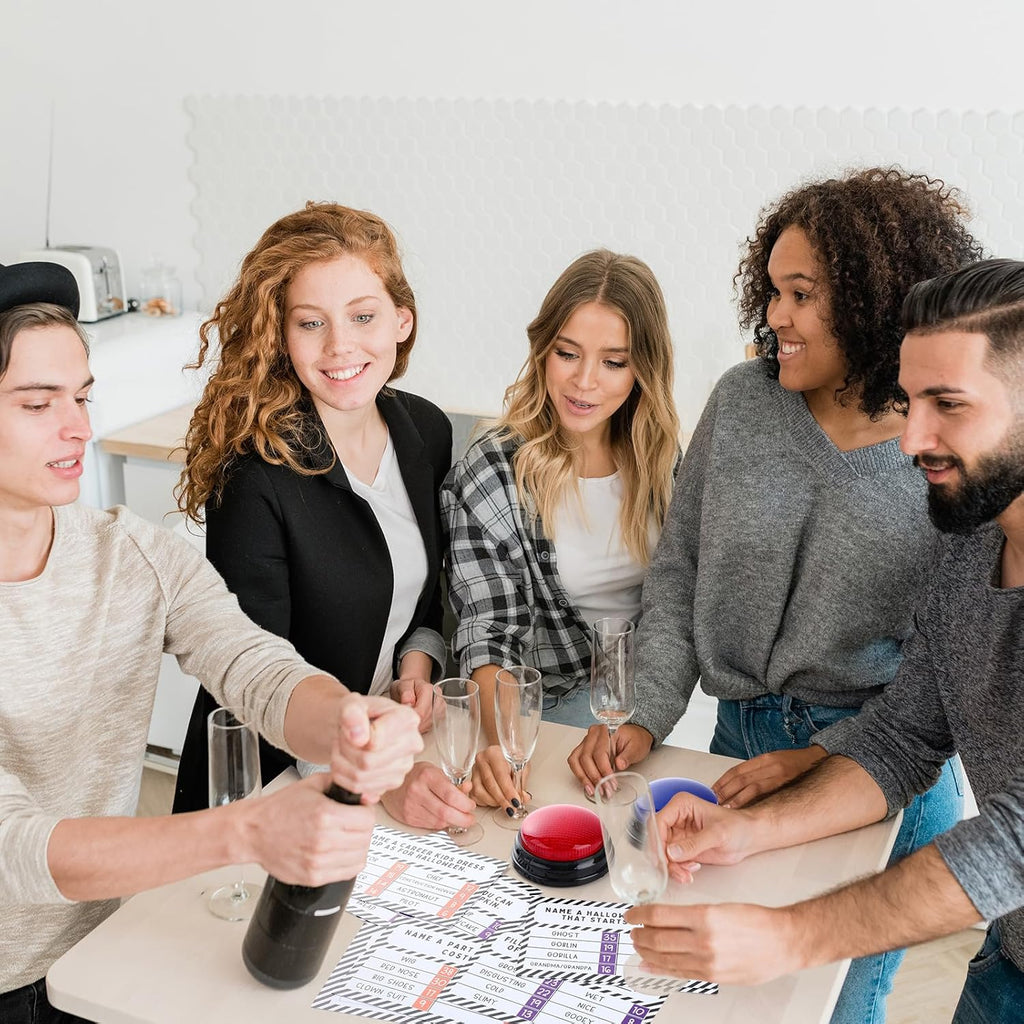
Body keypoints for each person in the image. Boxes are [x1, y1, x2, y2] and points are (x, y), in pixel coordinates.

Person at [568, 167, 983, 1023]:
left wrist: (837, 751)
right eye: (773, 290)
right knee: (711, 999)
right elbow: (681, 570)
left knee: (826, 1009)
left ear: (872, 302)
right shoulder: (742, 402)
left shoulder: (940, 447)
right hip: (734, 748)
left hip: (875, 773)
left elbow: (941, 668)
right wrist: (647, 711)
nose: (776, 316)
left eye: (802, 294)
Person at [0, 264, 423, 1024]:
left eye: (82, 397)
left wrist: (349, 722)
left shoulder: (127, 554)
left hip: (108, 946)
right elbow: (17, 851)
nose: (78, 428)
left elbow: (253, 664)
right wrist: (247, 830)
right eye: (38, 404)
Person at [172, 202, 474, 832]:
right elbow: (256, 678)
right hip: (270, 784)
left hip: (379, 755)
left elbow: (421, 598)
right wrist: (375, 777)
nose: (340, 346)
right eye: (311, 323)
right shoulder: (253, 475)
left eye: (362, 316)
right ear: (281, 336)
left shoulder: (425, 430)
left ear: (401, 320)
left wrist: (416, 665)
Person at [442, 249, 680, 810]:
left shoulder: (667, 464)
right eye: (567, 353)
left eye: (614, 362)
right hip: (543, 714)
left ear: (644, 368)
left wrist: (643, 713)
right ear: (542, 350)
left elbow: (680, 614)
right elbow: (489, 630)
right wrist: (505, 741)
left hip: (653, 709)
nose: (584, 382)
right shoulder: (494, 469)